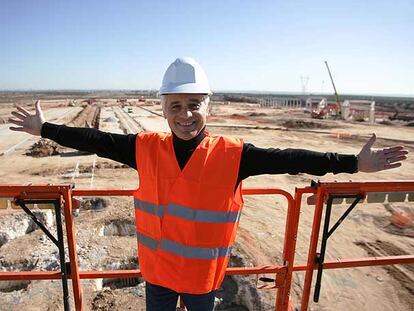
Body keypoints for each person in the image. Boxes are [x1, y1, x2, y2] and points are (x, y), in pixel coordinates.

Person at [8, 57, 408, 311]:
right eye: (176, 106)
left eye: (194, 105)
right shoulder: (144, 148)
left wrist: (354, 162)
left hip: (202, 282)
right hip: (158, 276)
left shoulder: (234, 155)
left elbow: (292, 156)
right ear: (164, 109)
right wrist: (44, 128)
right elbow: (93, 140)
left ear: (207, 107)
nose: (186, 115)